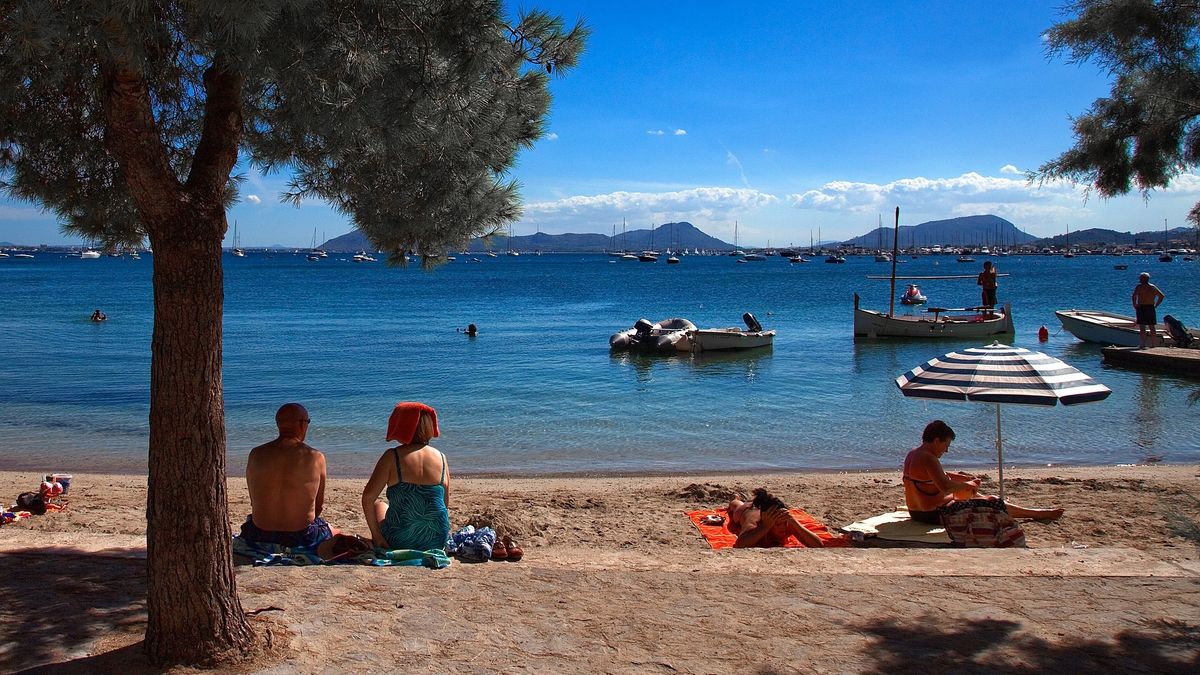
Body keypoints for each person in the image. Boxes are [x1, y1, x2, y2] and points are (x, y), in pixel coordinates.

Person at [903, 420, 1063, 524]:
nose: (947, 450)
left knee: (976, 496)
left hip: (916, 513)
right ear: (937, 440)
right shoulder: (929, 459)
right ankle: (1038, 514)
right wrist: (968, 483)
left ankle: (1036, 512)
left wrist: (962, 478)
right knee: (991, 501)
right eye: (946, 445)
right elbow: (945, 486)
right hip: (933, 515)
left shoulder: (914, 454)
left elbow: (934, 476)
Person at [240, 403, 333, 548]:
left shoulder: (256, 454)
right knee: (332, 531)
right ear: (302, 424)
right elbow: (318, 507)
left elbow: (254, 500)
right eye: (308, 422)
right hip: (301, 535)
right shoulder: (316, 457)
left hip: (260, 533)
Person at [362, 401, 451, 551]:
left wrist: (377, 536)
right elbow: (444, 502)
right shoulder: (441, 457)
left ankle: (379, 536)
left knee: (379, 505)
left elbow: (367, 498)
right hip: (437, 539)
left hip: (399, 540)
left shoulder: (392, 457)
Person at [726, 488, 825, 548]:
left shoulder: (785, 521)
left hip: (760, 510)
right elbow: (740, 545)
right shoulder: (754, 524)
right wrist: (765, 527)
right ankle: (736, 497)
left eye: (783, 523)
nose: (782, 527)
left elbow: (819, 545)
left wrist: (795, 523)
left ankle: (751, 500)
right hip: (746, 511)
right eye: (777, 524)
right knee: (735, 506)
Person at [1131, 272, 1165, 349]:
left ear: (1144, 279)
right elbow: (1161, 296)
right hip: (1147, 307)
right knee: (1150, 326)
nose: (1139, 280)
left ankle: (1146, 344)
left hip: (1144, 307)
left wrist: (1156, 305)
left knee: (1145, 327)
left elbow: (1134, 296)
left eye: (1141, 278)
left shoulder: (1140, 287)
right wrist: (1135, 304)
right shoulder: (1151, 287)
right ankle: (1150, 344)